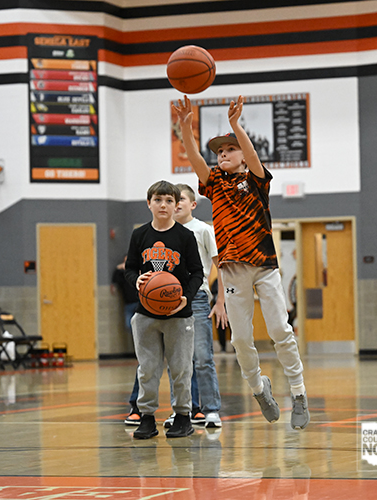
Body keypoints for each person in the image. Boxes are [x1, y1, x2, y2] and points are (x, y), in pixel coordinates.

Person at [172, 95, 310, 430]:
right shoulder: (214, 184)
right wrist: (186, 128)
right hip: (233, 270)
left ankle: (299, 393)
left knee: (280, 330)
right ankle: (259, 389)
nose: (222, 154)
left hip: (263, 265)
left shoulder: (257, 179)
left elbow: (253, 156)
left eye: (229, 150)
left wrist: (235, 125)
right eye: (219, 151)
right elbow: (195, 159)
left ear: (243, 156)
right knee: (240, 339)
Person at [123, 180, 204, 439]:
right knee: (147, 369)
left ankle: (183, 417)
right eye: (158, 200)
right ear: (149, 203)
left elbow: (197, 273)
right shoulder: (139, 235)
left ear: (176, 205)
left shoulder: (185, 236)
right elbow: (129, 269)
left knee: (181, 369)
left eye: (169, 201)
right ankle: (146, 417)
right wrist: (136, 280)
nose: (163, 205)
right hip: (146, 314)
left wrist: (186, 297)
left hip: (178, 315)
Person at [160, 183, 227, 429]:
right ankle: (181, 411)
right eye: (172, 200)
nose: (176, 204)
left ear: (193, 204)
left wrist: (221, 301)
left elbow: (221, 266)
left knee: (202, 358)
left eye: (180, 200)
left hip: (197, 297)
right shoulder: (165, 231)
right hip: (170, 299)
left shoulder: (203, 230)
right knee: (177, 361)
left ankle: (211, 410)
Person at [112, 255, 145, 426]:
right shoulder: (126, 274)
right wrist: (121, 267)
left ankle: (185, 409)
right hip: (131, 306)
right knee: (130, 328)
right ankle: (136, 407)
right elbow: (116, 278)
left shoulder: (143, 272)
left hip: (143, 303)